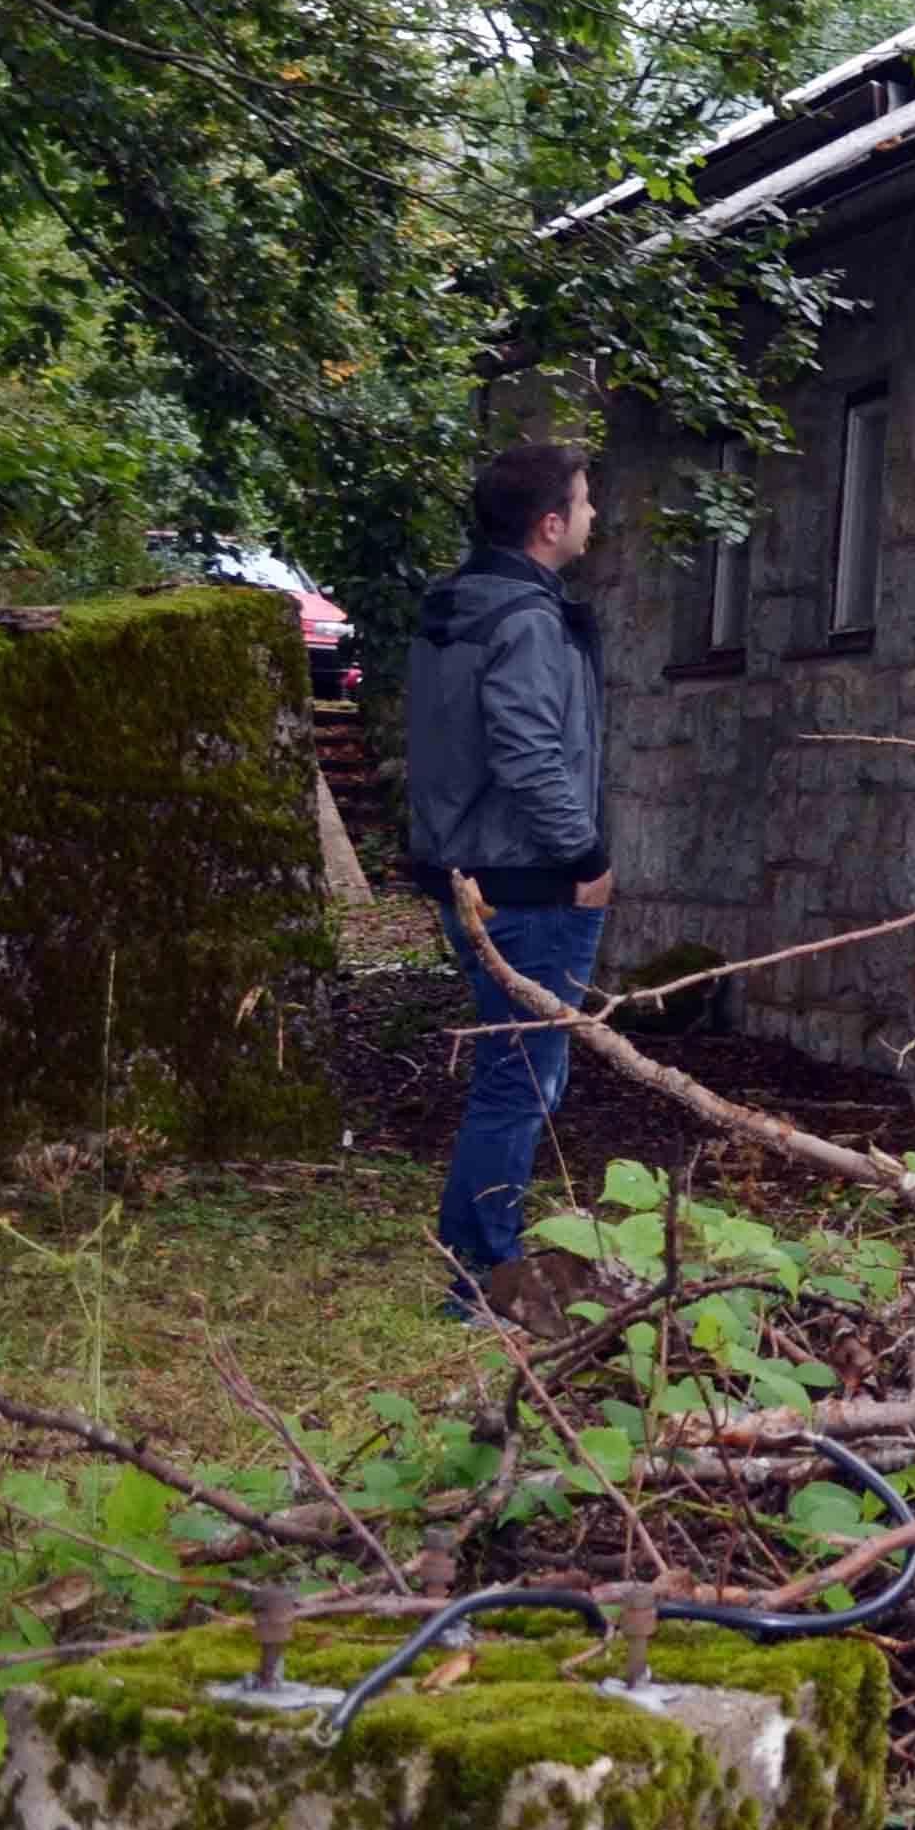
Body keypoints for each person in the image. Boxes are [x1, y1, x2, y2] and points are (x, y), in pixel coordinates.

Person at [404, 442, 613, 1322]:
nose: (596, 517)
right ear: (550, 524)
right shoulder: (525, 621)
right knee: (518, 1084)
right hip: (531, 886)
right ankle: (482, 1285)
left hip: (473, 875)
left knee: (511, 1076)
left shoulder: (458, 608)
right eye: (585, 502)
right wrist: (586, 856)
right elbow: (529, 754)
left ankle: (478, 1269)